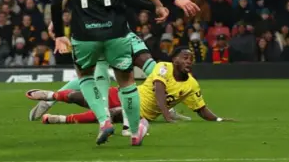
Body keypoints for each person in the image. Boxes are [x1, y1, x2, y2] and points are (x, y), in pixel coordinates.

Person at [50, 0, 198, 146]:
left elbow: (56, 1)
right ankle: (134, 129)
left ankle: (103, 121)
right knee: (127, 81)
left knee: (85, 77)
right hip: (116, 32)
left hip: (84, 33)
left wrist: (59, 34)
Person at [27, 47, 232, 125]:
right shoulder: (163, 67)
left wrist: (220, 119)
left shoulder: (191, 84)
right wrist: (166, 113)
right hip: (127, 94)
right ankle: (52, 96)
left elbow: (201, 108)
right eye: (185, 58)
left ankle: (59, 118)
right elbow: (159, 89)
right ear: (174, 59)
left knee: (111, 114)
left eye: (191, 59)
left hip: (141, 112)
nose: (189, 62)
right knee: (88, 97)